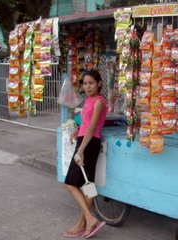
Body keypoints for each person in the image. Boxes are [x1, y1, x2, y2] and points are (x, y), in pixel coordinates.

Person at [64, 70, 107, 239]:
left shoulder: (99, 102)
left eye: (91, 83)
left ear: (99, 83)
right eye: (85, 83)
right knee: (88, 186)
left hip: (89, 144)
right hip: (85, 140)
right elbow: (86, 123)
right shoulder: (89, 100)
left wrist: (80, 150)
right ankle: (83, 223)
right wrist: (76, 129)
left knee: (70, 183)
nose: (87, 86)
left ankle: (89, 218)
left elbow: (92, 128)